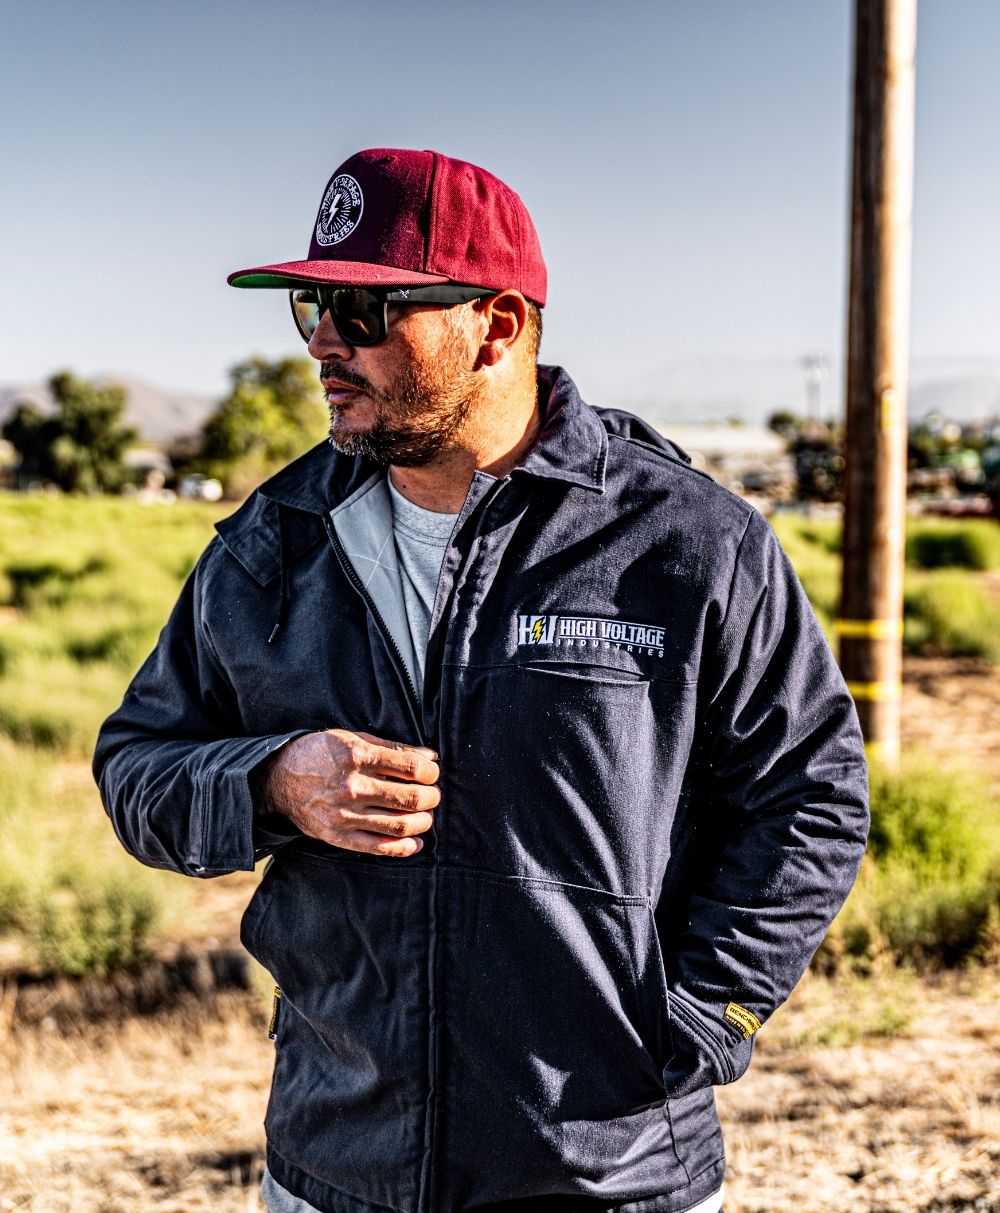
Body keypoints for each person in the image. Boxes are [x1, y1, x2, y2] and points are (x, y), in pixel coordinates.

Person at [94, 147, 869, 1213]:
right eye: (312, 305)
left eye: (367, 311)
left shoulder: (687, 543)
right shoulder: (271, 544)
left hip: (606, 1176)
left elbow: (809, 798)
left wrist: (699, 1020)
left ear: (496, 325)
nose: (323, 340)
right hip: (338, 1169)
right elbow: (137, 765)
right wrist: (271, 782)